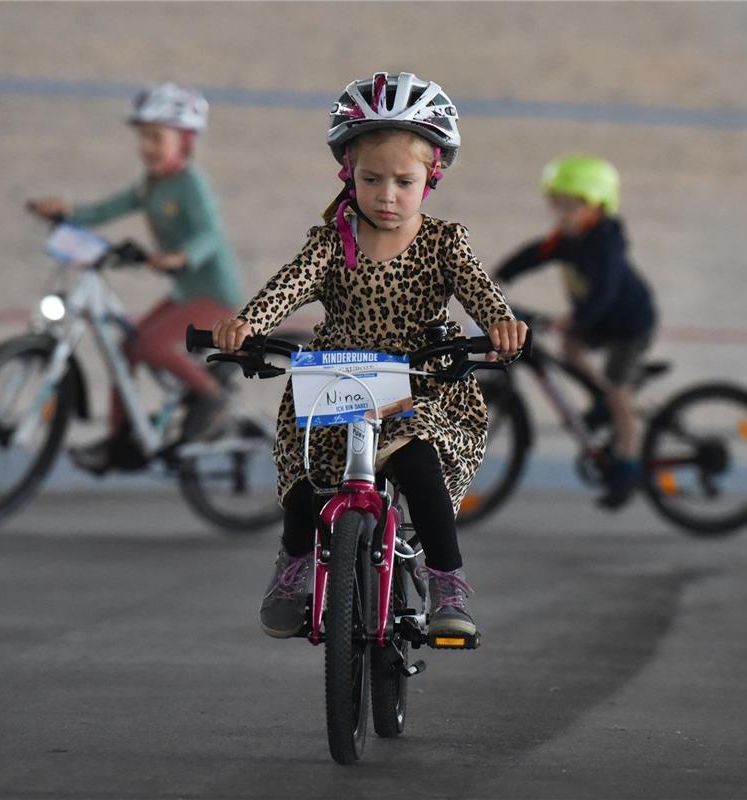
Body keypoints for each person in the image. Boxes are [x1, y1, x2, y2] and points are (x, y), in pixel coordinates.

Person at [210, 72, 527, 640]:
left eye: (403, 181)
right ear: (347, 174)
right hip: (338, 376)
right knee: (307, 477)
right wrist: (247, 323)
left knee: (418, 463)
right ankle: (294, 568)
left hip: (421, 377)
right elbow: (288, 285)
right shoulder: (334, 240)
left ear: (432, 177)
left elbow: (481, 292)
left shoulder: (443, 242)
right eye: (370, 178)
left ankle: (447, 583)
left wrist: (500, 323)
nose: (386, 195)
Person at [28, 82, 242, 473]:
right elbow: (109, 208)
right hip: (185, 291)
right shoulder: (151, 184)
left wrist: (181, 256)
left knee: (151, 345)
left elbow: (211, 234)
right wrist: (66, 212)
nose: (147, 146)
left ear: (185, 142)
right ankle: (120, 440)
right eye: (143, 137)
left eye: (157, 138)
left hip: (214, 294)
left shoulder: (191, 183)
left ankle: (213, 396)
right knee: (128, 348)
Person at [494, 155, 657, 510]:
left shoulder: (605, 243)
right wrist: (497, 277)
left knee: (618, 393)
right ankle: (600, 399)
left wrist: (571, 318)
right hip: (599, 321)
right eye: (557, 206)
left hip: (629, 325)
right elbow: (534, 254)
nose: (561, 215)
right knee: (569, 349)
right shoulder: (568, 238)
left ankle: (628, 465)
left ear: (596, 206)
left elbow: (606, 292)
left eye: (570, 207)